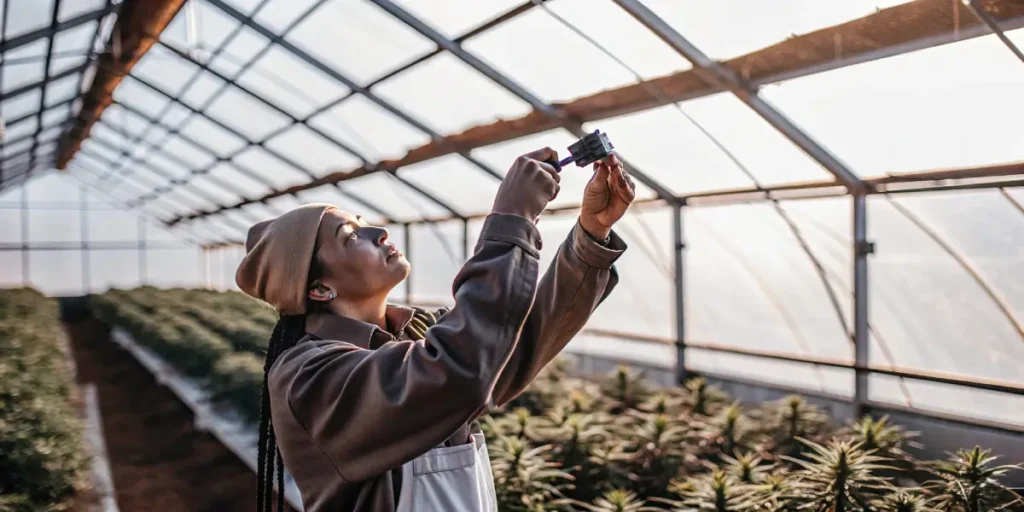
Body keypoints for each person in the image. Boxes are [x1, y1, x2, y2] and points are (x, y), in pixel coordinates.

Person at [235, 148, 635, 512]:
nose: (380, 234)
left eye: (364, 223)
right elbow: (456, 370)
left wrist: (591, 236)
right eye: (352, 236)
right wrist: (512, 221)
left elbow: (513, 348)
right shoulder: (307, 378)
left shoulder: (419, 337)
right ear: (320, 288)